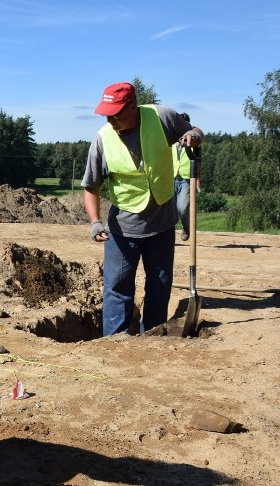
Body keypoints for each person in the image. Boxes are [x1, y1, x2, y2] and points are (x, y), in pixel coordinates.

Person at [82, 82, 203, 336]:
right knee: (117, 288)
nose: (110, 119)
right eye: (106, 114)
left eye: (115, 113)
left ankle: (153, 337)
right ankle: (114, 342)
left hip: (161, 225)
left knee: (159, 286)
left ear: (132, 106)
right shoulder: (102, 140)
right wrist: (94, 222)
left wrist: (195, 137)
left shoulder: (162, 117)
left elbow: (194, 131)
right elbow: (91, 186)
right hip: (123, 231)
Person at [172, 112, 193, 241]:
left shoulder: (193, 141)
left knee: (183, 208)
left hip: (186, 178)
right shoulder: (170, 140)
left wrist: (197, 179)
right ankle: (168, 236)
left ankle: (186, 227)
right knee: (170, 211)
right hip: (171, 178)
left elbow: (198, 160)